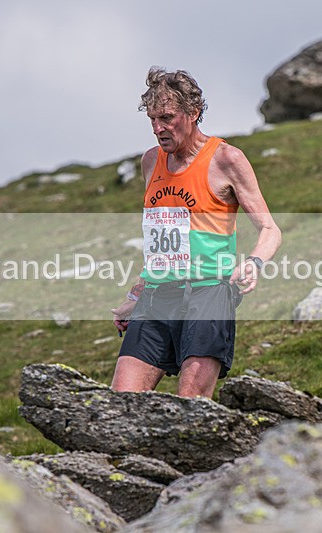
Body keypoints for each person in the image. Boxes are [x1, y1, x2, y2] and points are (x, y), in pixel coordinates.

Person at [110, 67, 281, 398]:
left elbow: (270, 229)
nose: (158, 128)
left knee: (190, 410)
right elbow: (161, 240)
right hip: (157, 297)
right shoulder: (151, 162)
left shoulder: (226, 160)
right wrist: (135, 295)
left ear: (193, 112)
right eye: (152, 119)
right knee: (120, 405)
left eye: (167, 117)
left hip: (209, 295)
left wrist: (253, 263)